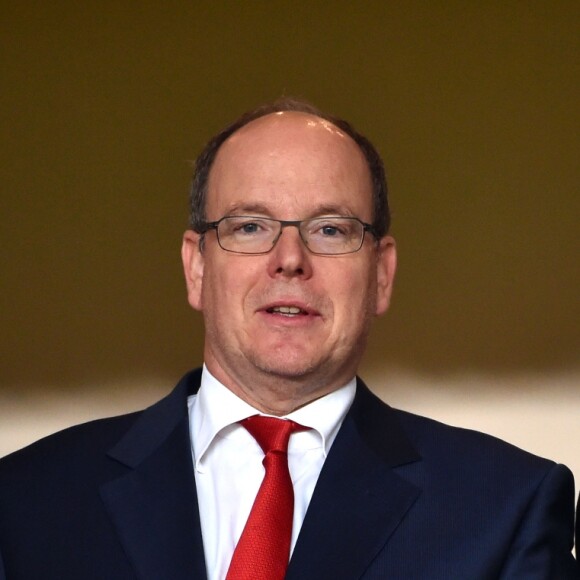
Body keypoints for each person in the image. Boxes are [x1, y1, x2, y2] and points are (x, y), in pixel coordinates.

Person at [0, 99, 578, 579]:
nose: (290, 260)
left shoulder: (506, 508)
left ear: (381, 273)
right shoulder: (27, 500)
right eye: (249, 226)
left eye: (331, 229)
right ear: (196, 267)